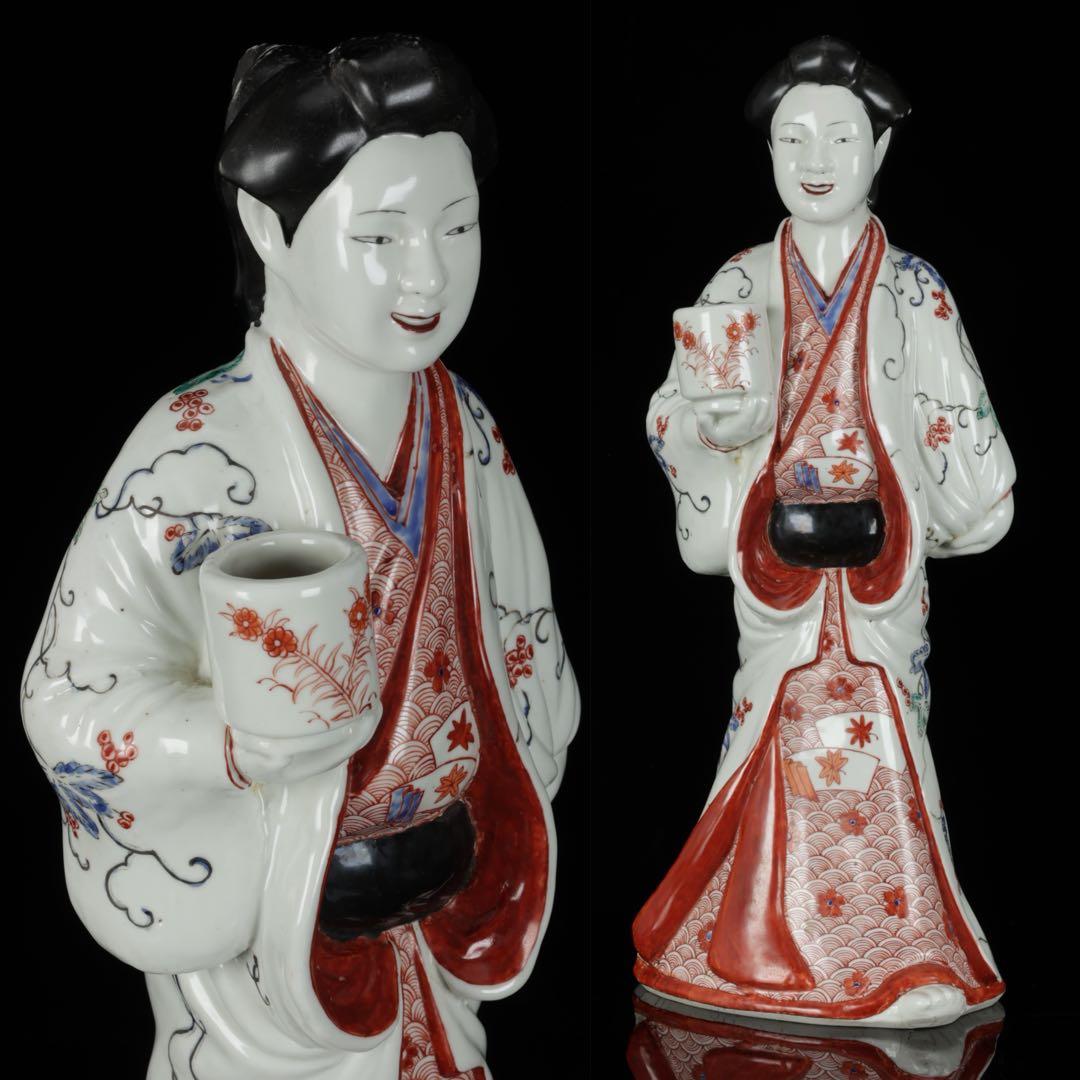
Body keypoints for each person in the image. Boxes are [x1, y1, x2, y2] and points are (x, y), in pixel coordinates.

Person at [21, 35, 578, 1078]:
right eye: (381, 234)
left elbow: (528, 643)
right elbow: (67, 697)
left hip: (440, 894)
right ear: (266, 227)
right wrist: (233, 748)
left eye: (457, 226)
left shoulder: (465, 425)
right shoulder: (191, 450)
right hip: (273, 923)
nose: (428, 272)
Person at [635, 36, 1013, 1027]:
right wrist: (718, 433)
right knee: (778, 736)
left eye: (840, 137)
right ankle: (753, 950)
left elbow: (962, 430)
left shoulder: (915, 290)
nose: (815, 159)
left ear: (880, 149)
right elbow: (671, 415)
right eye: (791, 138)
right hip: (779, 571)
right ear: (767, 151)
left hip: (880, 574)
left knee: (885, 742)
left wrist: (938, 507)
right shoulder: (738, 282)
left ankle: (900, 955)